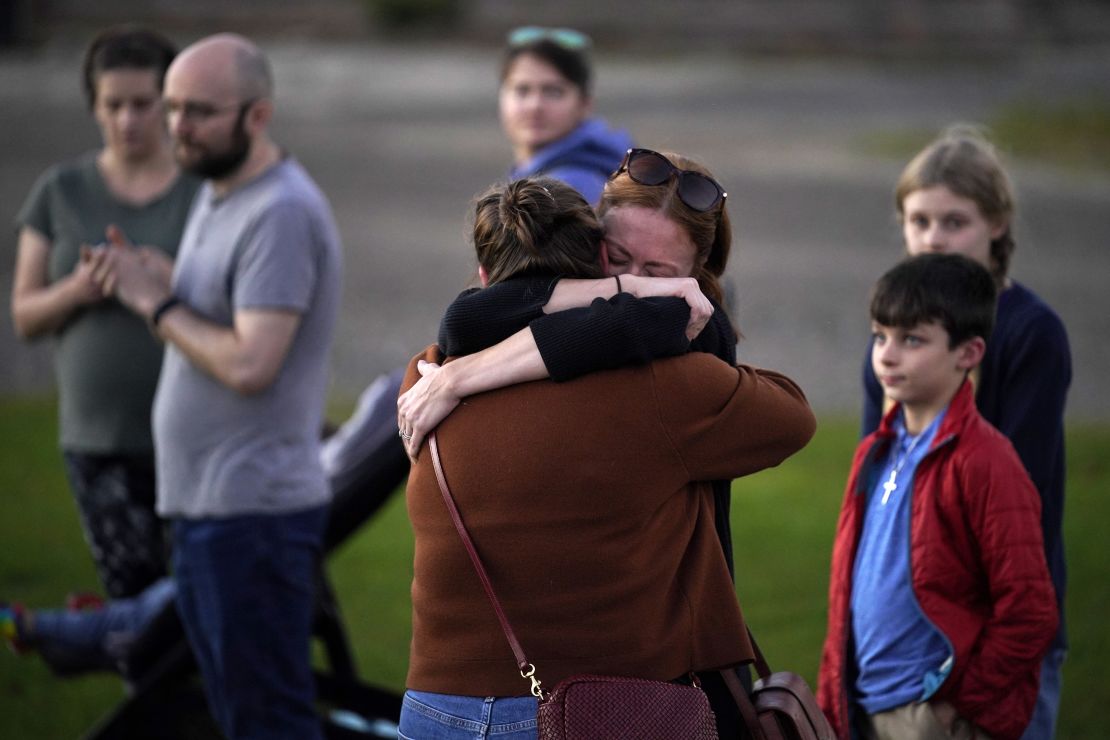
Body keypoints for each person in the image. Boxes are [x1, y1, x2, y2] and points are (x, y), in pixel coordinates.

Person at [397, 176, 815, 739]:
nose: (634, 283)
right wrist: (655, 303)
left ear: (483, 275)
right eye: (620, 264)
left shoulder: (427, 377)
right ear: (593, 265)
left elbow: (471, 319)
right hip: (601, 711)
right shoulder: (665, 389)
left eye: (656, 274)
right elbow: (792, 416)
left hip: (434, 712)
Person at [93, 34, 342, 740]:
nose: (177, 127)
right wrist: (159, 278)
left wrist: (156, 304)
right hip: (210, 510)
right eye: (172, 108)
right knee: (238, 715)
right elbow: (233, 318)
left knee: (269, 723)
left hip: (251, 518)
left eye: (199, 111)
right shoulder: (219, 188)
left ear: (257, 115)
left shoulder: (280, 212)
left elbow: (249, 363)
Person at [859, 126, 1071, 739]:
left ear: (998, 224)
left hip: (995, 617)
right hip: (903, 629)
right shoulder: (890, 337)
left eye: (955, 222)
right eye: (918, 220)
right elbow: (877, 487)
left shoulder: (1030, 332)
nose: (933, 239)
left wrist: (975, 685)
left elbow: (1018, 495)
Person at [820, 253, 1058, 740]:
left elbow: (1030, 610)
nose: (887, 354)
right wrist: (830, 700)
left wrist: (959, 702)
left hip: (931, 714)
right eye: (880, 335)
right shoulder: (875, 452)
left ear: (968, 353)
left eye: (912, 339)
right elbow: (847, 589)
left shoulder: (986, 461)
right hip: (860, 708)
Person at [10, 26, 200, 599]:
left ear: (169, 106)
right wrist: (79, 288)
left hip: (192, 438)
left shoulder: (204, 192)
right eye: (112, 105)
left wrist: (168, 279)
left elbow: (243, 310)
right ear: (94, 107)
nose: (127, 120)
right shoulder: (60, 190)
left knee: (199, 605)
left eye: (143, 104)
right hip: (97, 442)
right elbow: (24, 317)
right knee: (135, 608)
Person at [499, 25, 632, 205]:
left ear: (585, 103)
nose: (535, 105)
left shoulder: (571, 187)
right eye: (522, 90)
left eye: (553, 92)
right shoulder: (605, 162)